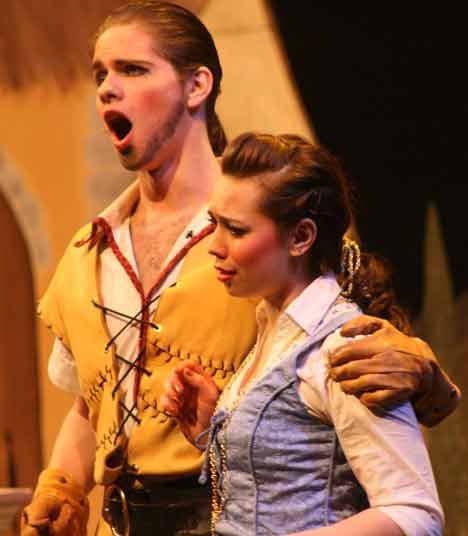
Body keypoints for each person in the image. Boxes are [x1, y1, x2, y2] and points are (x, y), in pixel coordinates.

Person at [20, 2, 457, 535]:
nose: (108, 88)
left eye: (132, 70)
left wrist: (426, 374)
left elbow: (348, 338)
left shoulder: (272, 231)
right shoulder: (88, 252)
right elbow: (91, 401)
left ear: (196, 86)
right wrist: (62, 483)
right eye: (100, 74)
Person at [161, 132, 444, 535]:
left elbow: (415, 512)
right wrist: (218, 432)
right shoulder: (273, 327)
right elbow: (288, 475)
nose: (215, 246)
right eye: (214, 223)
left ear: (301, 237)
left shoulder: (344, 348)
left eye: (237, 231)